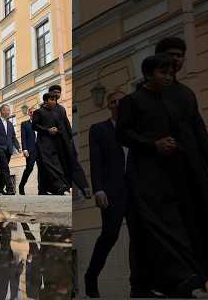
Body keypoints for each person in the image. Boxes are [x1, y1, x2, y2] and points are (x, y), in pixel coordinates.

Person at [116, 54, 208, 297]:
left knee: (181, 223)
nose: (169, 77)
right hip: (146, 175)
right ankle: (178, 277)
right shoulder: (131, 101)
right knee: (161, 227)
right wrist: (153, 144)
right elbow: (123, 134)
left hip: (175, 173)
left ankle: (183, 278)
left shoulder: (173, 99)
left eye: (170, 73)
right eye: (163, 73)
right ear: (148, 75)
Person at [84, 91, 135, 298]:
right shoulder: (99, 129)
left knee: (139, 237)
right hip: (111, 192)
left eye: (121, 101)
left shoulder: (135, 130)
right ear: (109, 106)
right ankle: (91, 276)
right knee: (110, 235)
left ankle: (138, 284)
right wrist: (98, 189)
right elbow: (95, 162)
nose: (117, 104)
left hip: (136, 191)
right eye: (113, 102)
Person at [49, 84, 92, 198]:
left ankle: (84, 187)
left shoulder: (61, 109)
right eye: (54, 92)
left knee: (74, 164)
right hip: (54, 144)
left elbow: (67, 125)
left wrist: (71, 139)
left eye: (59, 92)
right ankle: (64, 189)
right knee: (61, 168)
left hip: (66, 142)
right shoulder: (45, 109)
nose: (57, 94)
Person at [32, 93, 71, 195]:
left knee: (56, 164)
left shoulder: (56, 113)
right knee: (47, 164)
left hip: (55, 143)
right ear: (45, 101)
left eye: (55, 100)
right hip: (43, 143)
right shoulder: (38, 112)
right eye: (52, 99)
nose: (54, 102)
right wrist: (47, 130)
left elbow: (60, 126)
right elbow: (34, 126)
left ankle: (51, 188)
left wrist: (57, 131)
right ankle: (59, 186)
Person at [0, 104, 21, 195]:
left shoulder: (10, 124)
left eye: (9, 110)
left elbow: (13, 137)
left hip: (8, 150)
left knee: (2, 170)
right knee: (5, 167)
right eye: (7, 110)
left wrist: (18, 147)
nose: (9, 112)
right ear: (2, 111)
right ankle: (10, 188)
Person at [19, 107, 38, 195]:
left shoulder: (40, 123)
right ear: (29, 114)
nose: (33, 113)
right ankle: (21, 185)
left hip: (41, 150)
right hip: (30, 150)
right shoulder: (25, 124)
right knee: (29, 168)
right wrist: (24, 149)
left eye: (34, 112)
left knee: (42, 168)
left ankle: (42, 189)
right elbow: (23, 137)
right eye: (31, 112)